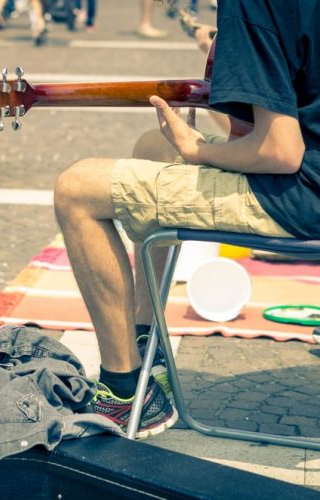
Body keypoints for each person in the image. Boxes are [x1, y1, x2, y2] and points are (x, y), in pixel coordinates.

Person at [53, 0, 319, 437]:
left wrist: (200, 151)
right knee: (152, 148)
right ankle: (145, 343)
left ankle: (123, 392)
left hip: (301, 195)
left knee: (76, 190)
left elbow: (278, 151)